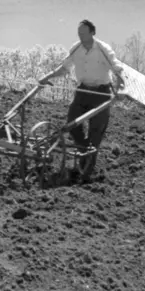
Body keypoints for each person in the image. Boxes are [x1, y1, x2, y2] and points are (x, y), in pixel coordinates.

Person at [38, 19, 125, 182]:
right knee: (72, 122)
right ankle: (84, 149)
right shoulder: (76, 48)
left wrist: (121, 86)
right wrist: (47, 76)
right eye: (79, 33)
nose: (80, 36)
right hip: (82, 91)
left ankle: (86, 171)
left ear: (92, 33)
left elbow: (117, 68)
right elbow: (64, 68)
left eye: (83, 33)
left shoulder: (103, 49)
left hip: (101, 93)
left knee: (95, 133)